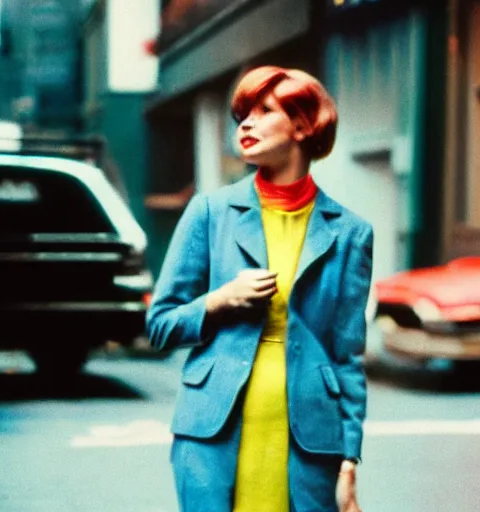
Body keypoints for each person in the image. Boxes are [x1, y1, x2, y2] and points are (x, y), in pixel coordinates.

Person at [146, 65, 373, 512]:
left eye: (264, 111)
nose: (246, 123)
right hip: (212, 431)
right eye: (242, 114)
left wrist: (349, 459)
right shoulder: (209, 213)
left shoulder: (350, 233)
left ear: (304, 126)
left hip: (310, 437)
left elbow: (347, 357)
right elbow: (160, 325)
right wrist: (218, 301)